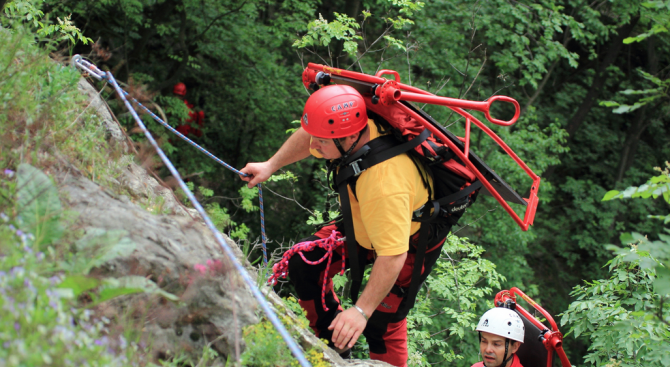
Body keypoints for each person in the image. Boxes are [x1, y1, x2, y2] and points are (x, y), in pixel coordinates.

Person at [240, 85, 463, 367]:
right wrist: (270, 165)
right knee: (304, 263)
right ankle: (329, 351)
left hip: (410, 239)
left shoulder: (384, 183)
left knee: (381, 323)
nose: (314, 146)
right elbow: (313, 134)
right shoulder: (351, 128)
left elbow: (393, 255)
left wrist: (360, 310)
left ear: (346, 137)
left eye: (321, 142)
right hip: (366, 222)